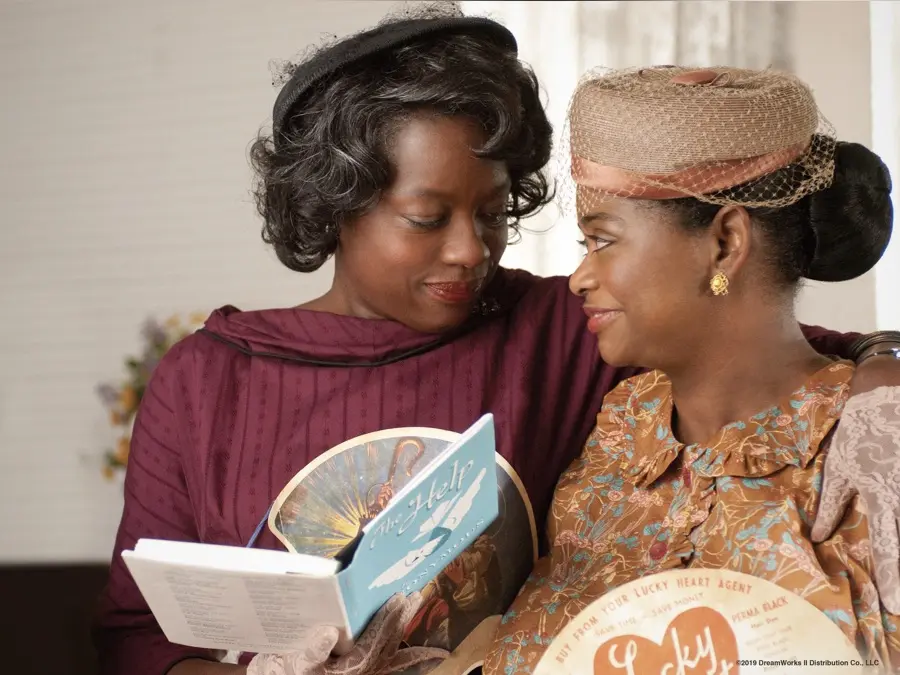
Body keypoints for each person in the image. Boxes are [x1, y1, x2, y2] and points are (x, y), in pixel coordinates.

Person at [92, 5, 900, 675]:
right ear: (335, 202)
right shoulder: (206, 381)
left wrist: (881, 363)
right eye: (427, 217)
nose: (470, 251)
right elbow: (138, 635)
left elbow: (753, 338)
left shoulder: (561, 332)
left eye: (491, 212)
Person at [484, 65, 899, 673]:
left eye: (603, 240)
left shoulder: (874, 449)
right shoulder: (622, 424)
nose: (579, 278)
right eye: (583, 246)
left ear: (725, 243)